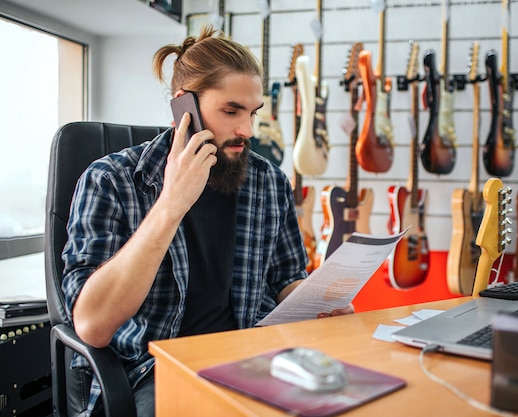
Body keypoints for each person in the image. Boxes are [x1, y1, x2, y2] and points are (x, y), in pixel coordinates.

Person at [61, 26, 353, 417]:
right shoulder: (110, 180)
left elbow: (285, 278)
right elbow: (93, 324)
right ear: (185, 108)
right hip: (150, 370)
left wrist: (320, 302)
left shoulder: (267, 181)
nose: (247, 130)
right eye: (231, 111)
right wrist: (170, 205)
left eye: (252, 113)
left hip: (253, 357)